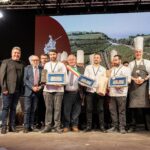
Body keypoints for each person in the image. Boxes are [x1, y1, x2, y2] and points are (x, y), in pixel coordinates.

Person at [42, 49, 68, 133]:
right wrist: (44, 81)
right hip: (47, 90)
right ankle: (48, 126)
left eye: (54, 54)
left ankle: (57, 126)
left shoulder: (61, 65)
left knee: (57, 109)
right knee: (48, 109)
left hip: (59, 90)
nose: (52, 56)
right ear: (49, 56)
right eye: (51, 54)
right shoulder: (46, 64)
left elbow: (65, 77)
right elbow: (44, 77)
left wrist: (62, 84)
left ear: (57, 55)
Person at [0, 46, 24, 134]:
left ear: (20, 54)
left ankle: (12, 126)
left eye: (18, 53)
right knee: (5, 108)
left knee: (13, 109)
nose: (16, 54)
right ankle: (3, 127)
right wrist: (4, 88)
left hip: (17, 91)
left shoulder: (22, 63)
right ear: (11, 53)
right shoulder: (6, 62)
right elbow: (2, 76)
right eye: (15, 53)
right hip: (7, 90)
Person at [128, 36, 150, 132]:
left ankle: (148, 126)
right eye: (136, 52)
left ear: (142, 53)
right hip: (134, 88)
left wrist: (144, 79)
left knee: (146, 107)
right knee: (133, 108)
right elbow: (128, 75)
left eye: (139, 52)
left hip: (144, 88)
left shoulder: (148, 62)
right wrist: (135, 79)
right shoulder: (131, 63)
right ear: (134, 53)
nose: (138, 53)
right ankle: (133, 126)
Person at [107, 55, 131, 134]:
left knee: (121, 111)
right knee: (112, 110)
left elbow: (129, 80)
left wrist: (120, 85)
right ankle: (115, 126)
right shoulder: (111, 70)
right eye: (114, 60)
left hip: (121, 93)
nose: (114, 61)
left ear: (120, 60)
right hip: (112, 93)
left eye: (116, 60)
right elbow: (109, 80)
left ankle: (122, 127)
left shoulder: (126, 69)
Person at [84, 53, 106, 132]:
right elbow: (85, 78)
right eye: (95, 58)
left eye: (97, 58)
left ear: (100, 59)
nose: (96, 59)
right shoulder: (88, 67)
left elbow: (104, 80)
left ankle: (102, 126)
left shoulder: (103, 69)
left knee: (100, 109)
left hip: (99, 91)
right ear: (93, 59)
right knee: (89, 109)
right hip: (90, 90)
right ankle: (89, 126)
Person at [63, 54, 84, 132]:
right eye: (70, 60)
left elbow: (84, 79)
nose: (71, 61)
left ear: (76, 60)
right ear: (67, 61)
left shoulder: (81, 69)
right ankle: (66, 125)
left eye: (73, 59)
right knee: (66, 110)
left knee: (76, 110)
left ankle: (74, 125)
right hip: (67, 93)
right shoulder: (65, 69)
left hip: (77, 93)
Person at [23, 55, 43, 133]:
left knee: (33, 110)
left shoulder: (41, 69)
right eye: (34, 60)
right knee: (27, 109)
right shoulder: (27, 68)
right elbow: (25, 80)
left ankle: (31, 126)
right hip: (28, 92)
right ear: (31, 61)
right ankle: (26, 126)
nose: (35, 61)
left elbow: (43, 81)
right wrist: (32, 87)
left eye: (37, 60)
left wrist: (40, 87)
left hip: (37, 92)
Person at [34, 54, 49, 128]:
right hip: (39, 90)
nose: (44, 60)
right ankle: (38, 122)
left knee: (47, 107)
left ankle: (46, 122)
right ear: (40, 59)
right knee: (38, 107)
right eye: (43, 58)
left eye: (46, 58)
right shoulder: (38, 67)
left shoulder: (49, 66)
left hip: (49, 89)